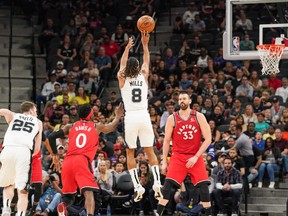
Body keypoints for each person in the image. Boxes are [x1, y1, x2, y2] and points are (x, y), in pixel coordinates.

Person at [48, 103, 123, 216]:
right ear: (90, 114)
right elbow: (111, 127)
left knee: (68, 197)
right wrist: (117, 116)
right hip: (82, 160)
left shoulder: (71, 126)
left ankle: (62, 206)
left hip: (68, 161)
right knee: (89, 192)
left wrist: (55, 156)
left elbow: (51, 137)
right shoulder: (96, 126)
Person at [117, 32, 162, 203]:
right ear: (138, 68)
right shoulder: (143, 75)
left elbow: (122, 64)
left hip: (131, 117)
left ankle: (137, 186)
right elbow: (147, 59)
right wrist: (144, 44)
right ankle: (157, 182)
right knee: (150, 151)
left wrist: (127, 48)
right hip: (144, 115)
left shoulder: (122, 78)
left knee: (130, 152)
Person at [156, 91, 212, 216]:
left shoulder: (199, 116)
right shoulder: (172, 118)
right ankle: (158, 214)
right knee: (167, 187)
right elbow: (166, 141)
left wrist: (197, 156)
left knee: (203, 188)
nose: (182, 101)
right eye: (180, 99)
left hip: (194, 156)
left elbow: (208, 139)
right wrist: (164, 162)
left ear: (190, 101)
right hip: (178, 156)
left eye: (184, 98)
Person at [0, 101, 43, 216]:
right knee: (23, 190)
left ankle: (6, 208)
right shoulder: (38, 122)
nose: (37, 113)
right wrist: (30, 155)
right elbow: (37, 148)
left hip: (7, 149)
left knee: (9, 184)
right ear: (31, 110)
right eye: (35, 111)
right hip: (23, 151)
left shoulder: (14, 115)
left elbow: (3, 111)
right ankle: (20, 214)